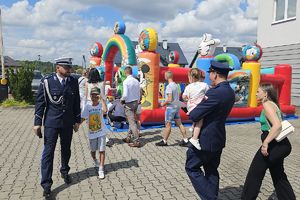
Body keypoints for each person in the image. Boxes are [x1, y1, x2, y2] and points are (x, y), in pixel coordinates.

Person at [185, 60, 235, 199]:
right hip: (218, 137)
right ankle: (211, 195)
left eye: (211, 73)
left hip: (205, 139)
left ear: (216, 74)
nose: (209, 76)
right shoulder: (229, 91)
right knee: (211, 170)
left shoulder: (215, 93)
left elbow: (195, 115)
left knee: (192, 167)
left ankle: (210, 198)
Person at [33, 57, 81, 198]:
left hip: (67, 123)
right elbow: (40, 103)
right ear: (57, 68)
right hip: (51, 123)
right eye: (66, 68)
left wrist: (77, 120)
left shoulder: (73, 81)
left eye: (70, 68)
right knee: (48, 153)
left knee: (66, 149)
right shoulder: (47, 81)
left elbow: (76, 101)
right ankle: (46, 184)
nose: (69, 70)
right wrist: (37, 123)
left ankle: (65, 171)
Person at [241, 84, 295, 200]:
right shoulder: (273, 104)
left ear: (265, 94)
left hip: (274, 145)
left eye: (258, 91)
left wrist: (265, 143)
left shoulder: (267, 104)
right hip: (282, 144)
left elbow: (277, 126)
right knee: (278, 174)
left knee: (254, 173)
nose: (255, 94)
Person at [81, 87, 109, 179]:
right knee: (93, 151)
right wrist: (77, 125)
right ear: (90, 96)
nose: (94, 97)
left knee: (102, 150)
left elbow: (105, 111)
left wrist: (102, 99)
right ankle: (94, 159)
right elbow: (83, 118)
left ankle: (101, 169)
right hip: (92, 133)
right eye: (93, 95)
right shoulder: (87, 107)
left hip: (101, 132)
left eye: (96, 96)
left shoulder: (101, 105)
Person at [155, 71, 188, 147]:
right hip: (176, 107)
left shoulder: (169, 86)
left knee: (168, 124)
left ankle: (164, 141)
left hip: (170, 108)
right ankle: (186, 139)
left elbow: (169, 99)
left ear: (166, 77)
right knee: (179, 123)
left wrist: (163, 103)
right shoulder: (176, 85)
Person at [182, 68, 209, 150]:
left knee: (196, 119)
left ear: (190, 77)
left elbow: (184, 97)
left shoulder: (188, 86)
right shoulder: (204, 85)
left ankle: (193, 126)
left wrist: (188, 98)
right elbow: (208, 94)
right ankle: (194, 139)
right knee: (200, 123)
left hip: (191, 107)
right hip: (199, 107)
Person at [121, 66, 141, 148]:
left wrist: (122, 99)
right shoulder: (136, 81)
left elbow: (125, 94)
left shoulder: (126, 81)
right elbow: (139, 93)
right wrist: (138, 100)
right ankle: (128, 137)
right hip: (136, 102)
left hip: (129, 103)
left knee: (132, 122)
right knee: (132, 120)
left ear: (125, 73)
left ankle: (136, 140)